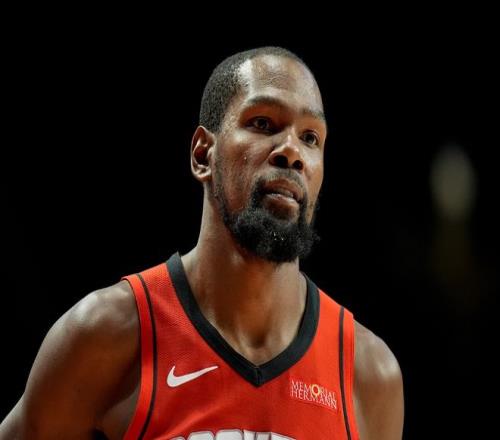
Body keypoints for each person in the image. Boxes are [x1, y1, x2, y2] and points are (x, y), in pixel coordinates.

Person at [0, 46, 404, 440]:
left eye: (311, 137)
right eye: (263, 123)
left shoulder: (368, 375)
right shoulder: (106, 335)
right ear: (202, 153)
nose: (292, 152)